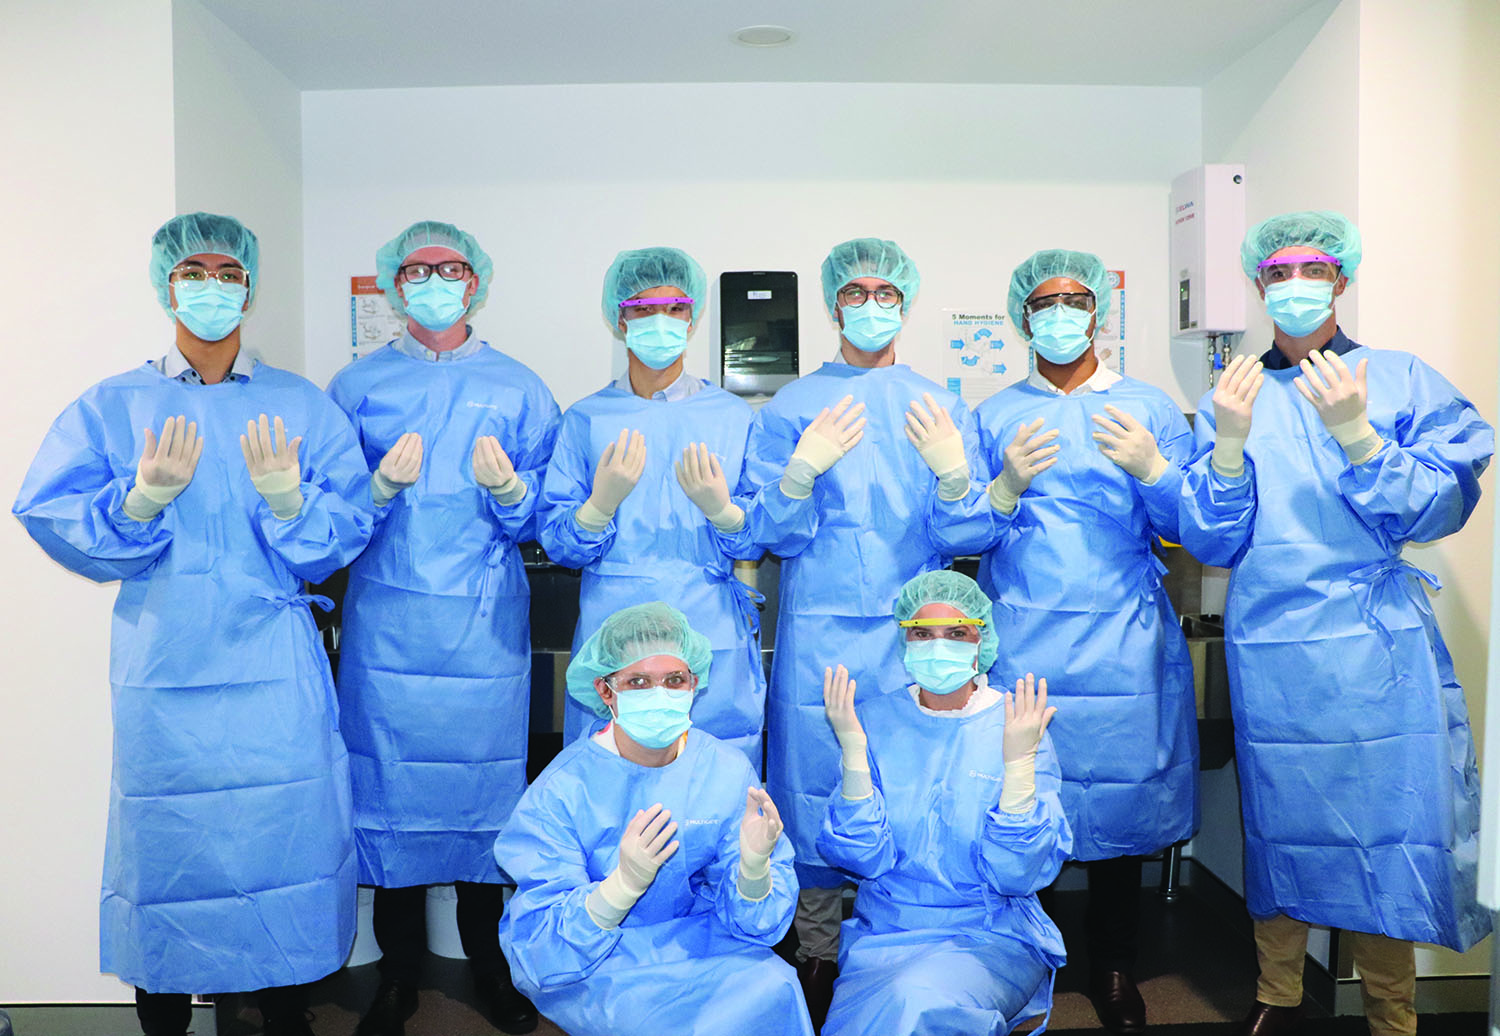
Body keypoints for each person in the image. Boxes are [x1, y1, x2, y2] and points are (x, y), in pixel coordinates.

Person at [12, 213, 375, 1036]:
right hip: (166, 664)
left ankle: (286, 1015)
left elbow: (344, 533)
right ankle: (166, 1018)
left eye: (227, 271)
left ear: (250, 284)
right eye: (194, 271)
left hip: (274, 665)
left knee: (283, 840)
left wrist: (290, 501)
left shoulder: (300, 407)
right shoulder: (114, 404)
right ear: (165, 284)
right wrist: (136, 502)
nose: (212, 285)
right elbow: (49, 510)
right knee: (169, 852)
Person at [1177, 211, 1492, 1036]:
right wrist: (1228, 448)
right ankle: (1277, 996)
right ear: (1257, 286)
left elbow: (1439, 505)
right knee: (1282, 823)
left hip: (1375, 648)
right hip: (1274, 646)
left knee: (1386, 826)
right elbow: (1212, 539)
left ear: (1342, 279)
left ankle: (1391, 1012)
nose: (1293, 285)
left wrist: (1359, 437)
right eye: (1277, 272)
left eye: (1311, 268)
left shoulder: (1400, 379)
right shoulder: (1235, 393)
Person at [916, 249, 1198, 1032]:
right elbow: (953, 529)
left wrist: (1155, 472)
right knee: (1022, 795)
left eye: (1077, 298)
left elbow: (1196, 528)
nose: (1062, 312)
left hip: (1122, 637)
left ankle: (1113, 967)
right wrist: (1000, 486)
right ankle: (1021, 957)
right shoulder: (996, 414)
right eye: (1046, 302)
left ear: (1099, 312)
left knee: (1119, 803)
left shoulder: (1151, 408)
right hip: (1025, 633)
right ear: (1022, 318)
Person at [740, 237, 986, 1022]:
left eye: (886, 292)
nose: (872, 304)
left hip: (919, 635)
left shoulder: (938, 403)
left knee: (907, 782)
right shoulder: (791, 406)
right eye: (857, 291)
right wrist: (797, 473)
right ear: (833, 303)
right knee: (815, 780)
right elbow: (766, 533)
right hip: (819, 627)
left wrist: (953, 476)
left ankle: (896, 937)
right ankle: (817, 951)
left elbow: (970, 532)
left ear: (905, 305)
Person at [326, 221, 559, 1036]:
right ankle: (395, 979)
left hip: (485, 629)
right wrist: (378, 490)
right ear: (394, 284)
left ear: (477, 282)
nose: (433, 280)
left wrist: (509, 497)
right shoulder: (356, 387)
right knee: (390, 801)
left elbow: (549, 516)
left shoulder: (522, 388)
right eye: (417, 269)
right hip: (388, 628)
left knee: (482, 798)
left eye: (450, 267)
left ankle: (491, 974)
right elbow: (328, 517)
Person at [494, 602, 813, 1036]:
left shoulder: (723, 768)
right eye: (638, 682)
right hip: (601, 956)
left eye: (674, 680)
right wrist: (619, 889)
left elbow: (758, 926)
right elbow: (542, 949)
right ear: (606, 691)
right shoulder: (563, 789)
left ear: (694, 685)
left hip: (701, 940)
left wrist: (753, 872)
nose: (659, 693)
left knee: (777, 987)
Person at [817, 570, 1071, 1036]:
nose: (939, 646)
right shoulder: (874, 721)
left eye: (956, 633)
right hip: (886, 934)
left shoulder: (1016, 725)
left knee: (917, 1005)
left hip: (990, 934)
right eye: (922, 634)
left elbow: (1017, 875)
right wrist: (854, 755)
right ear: (903, 641)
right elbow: (860, 859)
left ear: (982, 640)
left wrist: (1018, 772)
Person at [538, 247, 766, 764]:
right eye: (642, 309)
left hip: (709, 620)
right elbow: (557, 540)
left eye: (674, 307)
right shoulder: (587, 419)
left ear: (692, 316)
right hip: (613, 624)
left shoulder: (732, 417)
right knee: (608, 772)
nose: (659, 320)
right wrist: (598, 508)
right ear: (619, 319)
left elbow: (761, 534)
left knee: (714, 772)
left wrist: (724, 512)